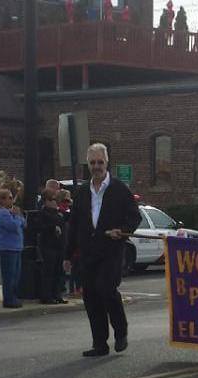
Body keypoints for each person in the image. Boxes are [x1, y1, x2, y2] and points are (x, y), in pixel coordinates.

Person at [64, 143, 141, 357]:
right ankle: (99, 343)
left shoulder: (119, 189)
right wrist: (68, 254)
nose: (96, 166)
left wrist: (123, 230)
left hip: (111, 250)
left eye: (100, 162)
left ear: (107, 163)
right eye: (92, 162)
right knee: (90, 295)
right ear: (87, 164)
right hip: (88, 252)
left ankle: (121, 331)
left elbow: (135, 216)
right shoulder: (81, 192)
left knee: (107, 289)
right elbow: (74, 224)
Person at [0, 188, 25, 309]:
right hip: (7, 248)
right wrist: (17, 217)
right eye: (10, 197)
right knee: (9, 275)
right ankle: (8, 299)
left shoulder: (11, 212)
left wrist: (18, 216)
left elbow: (24, 223)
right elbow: (12, 226)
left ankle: (14, 297)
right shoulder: (2, 213)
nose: (12, 200)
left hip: (17, 247)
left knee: (16, 275)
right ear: (2, 200)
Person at [38, 187, 67, 304]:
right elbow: (40, 228)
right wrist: (52, 228)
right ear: (45, 201)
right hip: (48, 246)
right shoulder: (43, 213)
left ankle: (57, 294)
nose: (54, 202)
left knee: (58, 271)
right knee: (48, 271)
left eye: (55, 199)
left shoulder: (58, 213)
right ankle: (47, 295)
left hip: (59, 246)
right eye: (52, 199)